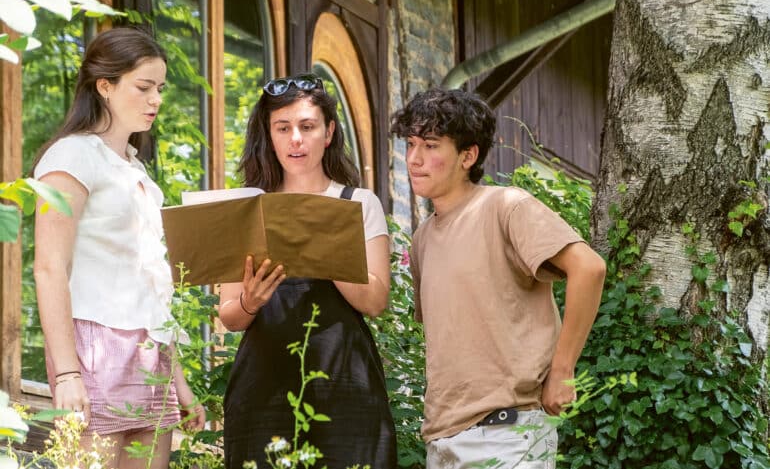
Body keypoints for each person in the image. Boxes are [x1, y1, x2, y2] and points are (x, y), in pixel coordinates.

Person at [390, 88, 606, 469]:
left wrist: (563, 371)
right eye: (410, 144)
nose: (414, 159)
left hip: (507, 434)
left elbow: (588, 268)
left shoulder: (506, 207)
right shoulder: (422, 239)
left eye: (430, 145)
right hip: (442, 442)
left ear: (468, 156)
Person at [32, 27, 206, 469]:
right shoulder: (71, 157)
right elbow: (49, 267)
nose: (155, 100)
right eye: (143, 87)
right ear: (105, 86)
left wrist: (179, 384)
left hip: (151, 351)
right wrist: (67, 372)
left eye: (160, 88)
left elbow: (150, 287)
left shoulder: (135, 168)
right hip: (93, 344)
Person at [219, 73, 397, 469]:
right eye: (283, 128)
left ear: (328, 132)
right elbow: (229, 317)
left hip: (344, 385)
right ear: (269, 136)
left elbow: (375, 301)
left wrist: (323, 248)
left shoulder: (358, 203)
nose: (295, 139)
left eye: (307, 126)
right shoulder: (247, 207)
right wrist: (250, 301)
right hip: (263, 388)